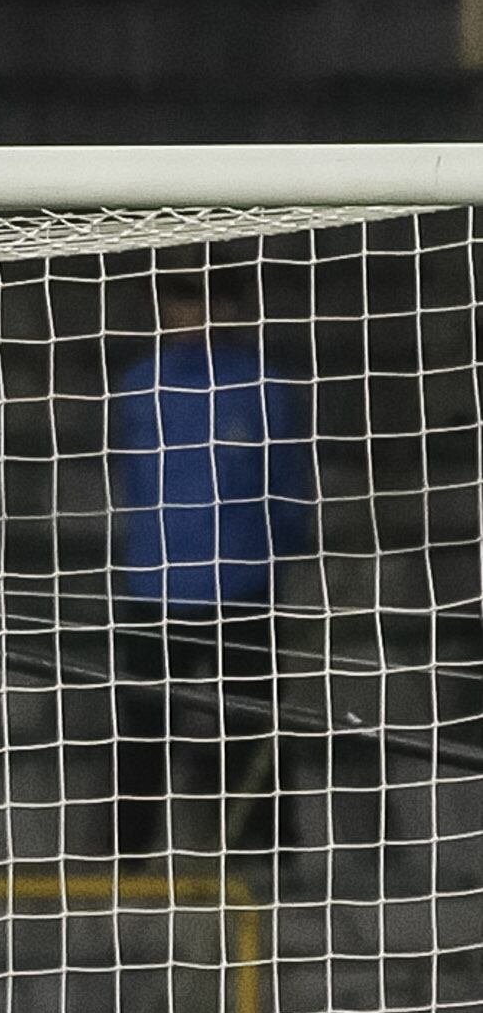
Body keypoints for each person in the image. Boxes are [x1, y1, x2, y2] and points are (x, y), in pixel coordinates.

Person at [111, 273, 311, 859]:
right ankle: (128, 855)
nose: (196, 313)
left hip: (244, 583)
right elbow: (133, 478)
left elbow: (287, 481)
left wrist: (284, 553)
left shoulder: (261, 385)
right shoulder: (138, 384)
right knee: (143, 729)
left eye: (208, 299)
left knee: (254, 723)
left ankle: (269, 852)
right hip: (157, 584)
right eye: (183, 300)